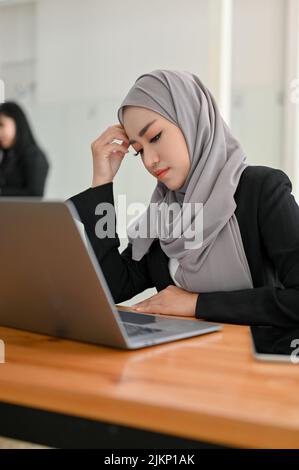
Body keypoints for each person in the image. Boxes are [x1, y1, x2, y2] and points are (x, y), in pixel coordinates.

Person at [67, 69, 299, 328]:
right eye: (139, 150)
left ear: (191, 120)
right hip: (182, 363)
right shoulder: (164, 215)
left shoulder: (262, 191)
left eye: (155, 137)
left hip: (247, 363)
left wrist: (196, 304)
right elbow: (111, 286)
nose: (149, 160)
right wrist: (102, 182)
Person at [0, 101, 49, 196]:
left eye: (1, 125)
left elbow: (35, 194)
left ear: (17, 122)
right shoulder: (7, 158)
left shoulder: (34, 156)